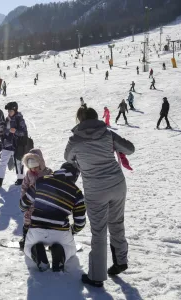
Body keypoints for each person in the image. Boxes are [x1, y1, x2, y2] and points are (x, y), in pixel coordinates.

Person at [64, 106, 135, 287]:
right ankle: (120, 261)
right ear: (96, 119)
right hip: (117, 184)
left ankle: (96, 276)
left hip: (95, 189)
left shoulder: (75, 140)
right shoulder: (107, 134)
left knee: (99, 231)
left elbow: (68, 158)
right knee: (117, 222)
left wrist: (84, 165)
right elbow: (130, 149)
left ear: (80, 120)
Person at [20, 163, 86, 272]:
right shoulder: (76, 192)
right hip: (60, 233)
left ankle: (37, 252)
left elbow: (23, 204)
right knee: (70, 250)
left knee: (27, 248)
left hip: (37, 230)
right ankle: (61, 253)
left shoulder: (41, 181)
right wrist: (72, 231)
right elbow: (80, 222)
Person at [18, 149, 53, 249]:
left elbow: (53, 186)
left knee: (46, 222)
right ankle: (25, 238)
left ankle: (50, 240)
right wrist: (24, 198)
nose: (33, 170)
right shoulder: (28, 174)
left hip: (45, 204)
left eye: (36, 167)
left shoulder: (48, 172)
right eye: (31, 168)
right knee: (28, 220)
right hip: (31, 203)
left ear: (41, 163)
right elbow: (24, 187)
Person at [0, 102, 27, 187]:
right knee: (3, 162)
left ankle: (20, 179)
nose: (9, 112)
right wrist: (0, 132)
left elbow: (24, 133)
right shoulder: (7, 119)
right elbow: (5, 131)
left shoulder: (19, 119)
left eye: (11, 110)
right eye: (8, 111)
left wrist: (16, 131)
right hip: (7, 144)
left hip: (17, 145)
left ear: (15, 110)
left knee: (18, 162)